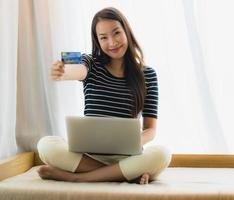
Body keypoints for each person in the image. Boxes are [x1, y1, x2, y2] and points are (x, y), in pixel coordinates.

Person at [36, 7, 171, 185]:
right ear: (97, 41)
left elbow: (150, 130)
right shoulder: (91, 63)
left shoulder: (148, 74)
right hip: (88, 156)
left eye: (116, 33)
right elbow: (78, 68)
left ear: (126, 32)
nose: (112, 42)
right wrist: (63, 71)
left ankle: (77, 177)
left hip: (127, 157)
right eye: (103, 38)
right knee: (46, 145)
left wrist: (131, 141)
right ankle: (126, 174)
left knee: (163, 154)